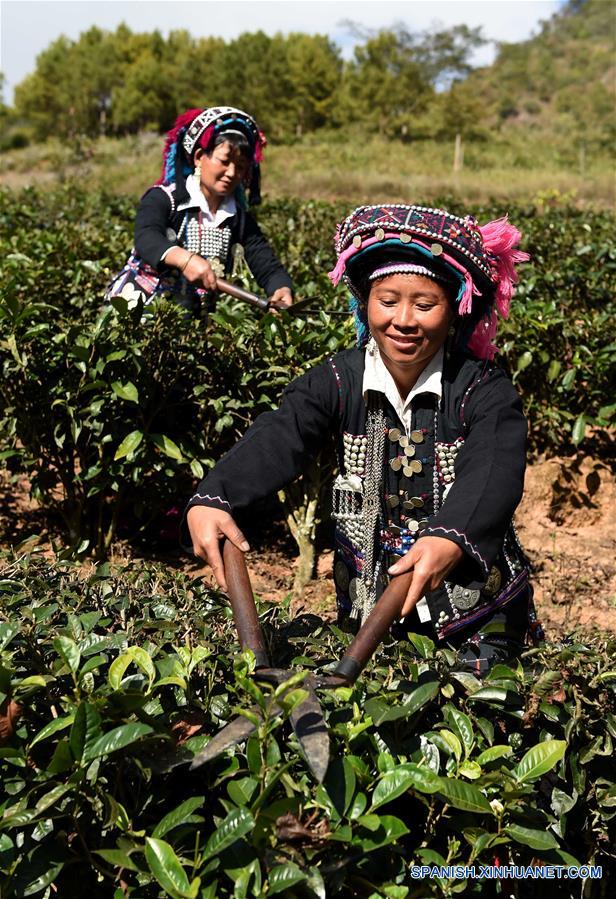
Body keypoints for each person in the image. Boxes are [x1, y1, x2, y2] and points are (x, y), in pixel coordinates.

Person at [184, 203, 543, 673]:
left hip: (475, 612)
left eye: (425, 304)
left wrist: (452, 537)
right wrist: (215, 495)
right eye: (388, 301)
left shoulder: (481, 388)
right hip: (369, 612)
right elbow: (281, 433)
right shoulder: (338, 379)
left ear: (454, 311)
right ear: (365, 304)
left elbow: (494, 467)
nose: (404, 321)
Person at [106, 106, 293, 317]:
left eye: (240, 166)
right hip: (138, 316)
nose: (231, 173)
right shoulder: (165, 198)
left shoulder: (238, 217)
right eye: (224, 161)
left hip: (191, 324)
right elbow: (146, 235)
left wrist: (281, 289)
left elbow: (266, 263)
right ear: (198, 157)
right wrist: (184, 259)